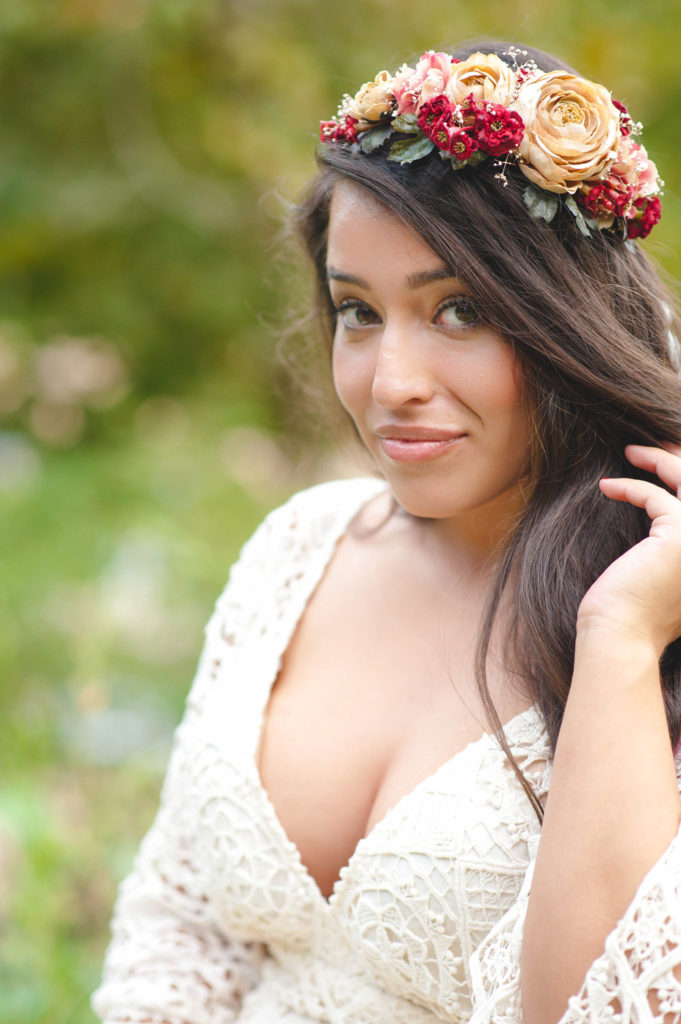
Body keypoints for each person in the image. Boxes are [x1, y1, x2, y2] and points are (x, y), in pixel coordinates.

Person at [92, 40, 681, 1024]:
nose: (392, 382)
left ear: (568, 318)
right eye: (357, 312)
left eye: (459, 310)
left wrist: (621, 637)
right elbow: (177, 930)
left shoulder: (655, 610)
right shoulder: (301, 548)